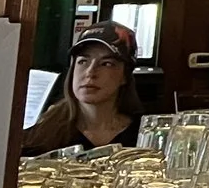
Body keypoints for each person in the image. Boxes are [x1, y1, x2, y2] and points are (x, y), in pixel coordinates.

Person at [22, 22, 145, 154]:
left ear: (125, 76)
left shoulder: (143, 135)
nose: (90, 72)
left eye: (106, 64)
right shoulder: (39, 137)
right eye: (83, 62)